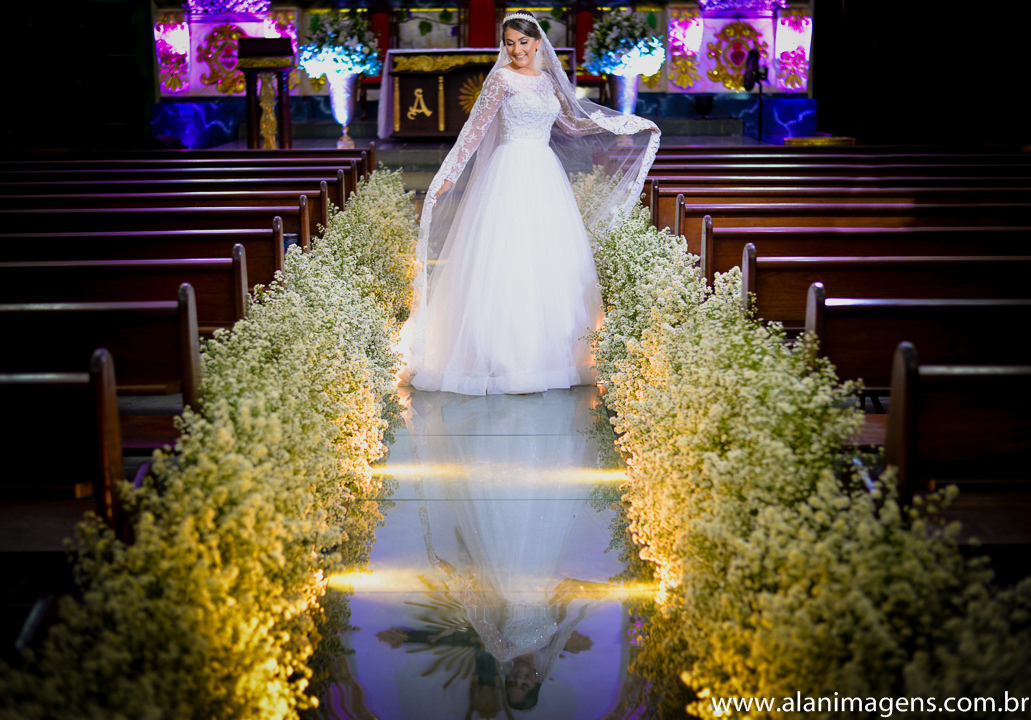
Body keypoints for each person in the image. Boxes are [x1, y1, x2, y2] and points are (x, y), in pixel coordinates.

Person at [398, 11, 660, 395]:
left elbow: (574, 123)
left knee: (550, 259)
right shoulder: (501, 79)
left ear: (538, 43)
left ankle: (554, 356)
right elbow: (475, 129)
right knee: (506, 257)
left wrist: (626, 124)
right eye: (509, 42)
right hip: (509, 172)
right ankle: (501, 357)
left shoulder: (550, 81)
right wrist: (449, 174)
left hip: (544, 173)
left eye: (523, 42)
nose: (517, 49)